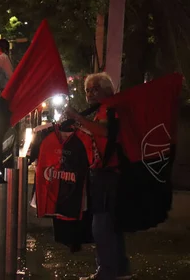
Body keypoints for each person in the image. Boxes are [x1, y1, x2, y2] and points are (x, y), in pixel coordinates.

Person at [65, 72, 131, 280]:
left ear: (107, 89)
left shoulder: (110, 109)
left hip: (108, 173)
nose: (90, 93)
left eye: (95, 89)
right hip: (108, 171)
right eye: (87, 90)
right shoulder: (105, 108)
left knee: (101, 224)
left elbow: (105, 133)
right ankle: (119, 270)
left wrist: (77, 117)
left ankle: (107, 271)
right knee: (111, 223)